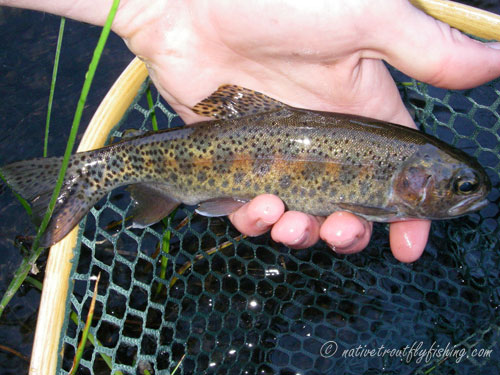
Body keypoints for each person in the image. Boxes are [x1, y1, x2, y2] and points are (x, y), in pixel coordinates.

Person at [1, 0, 500, 262]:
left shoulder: (399, 173)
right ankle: (83, 180)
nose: (467, 193)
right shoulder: (392, 189)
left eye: (462, 187)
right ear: (416, 179)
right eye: (461, 185)